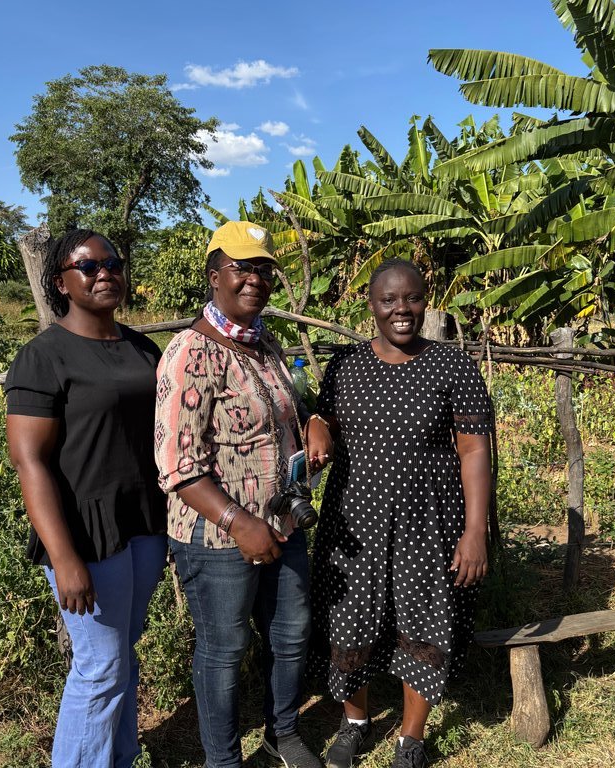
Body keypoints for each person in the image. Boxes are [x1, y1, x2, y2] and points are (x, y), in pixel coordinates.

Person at [154, 221, 330, 768]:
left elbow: (287, 410)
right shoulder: (189, 353)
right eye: (242, 268)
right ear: (214, 276)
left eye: (263, 269)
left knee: (291, 635)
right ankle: (223, 760)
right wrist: (238, 521)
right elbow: (176, 466)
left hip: (282, 524)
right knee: (225, 651)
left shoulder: (266, 345)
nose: (255, 279)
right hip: (216, 536)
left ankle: (282, 732)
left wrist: (315, 417)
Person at [307, 258, 493, 768]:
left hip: (428, 524)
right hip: (354, 523)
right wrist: (318, 423)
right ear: (371, 304)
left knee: (425, 623)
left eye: (411, 298)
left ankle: (411, 739)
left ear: (425, 300)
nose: (401, 309)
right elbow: (322, 417)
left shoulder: (452, 365)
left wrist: (475, 532)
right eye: (389, 300)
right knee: (348, 621)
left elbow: (475, 451)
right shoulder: (345, 364)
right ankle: (356, 722)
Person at [5, 229, 167, 768]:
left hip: (142, 522)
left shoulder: (142, 348)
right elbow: (31, 462)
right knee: (98, 666)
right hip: (84, 530)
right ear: (62, 283)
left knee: (122, 655)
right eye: (87, 266)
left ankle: (119, 756)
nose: (104, 273)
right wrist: (64, 556)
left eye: (112, 262)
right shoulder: (44, 356)